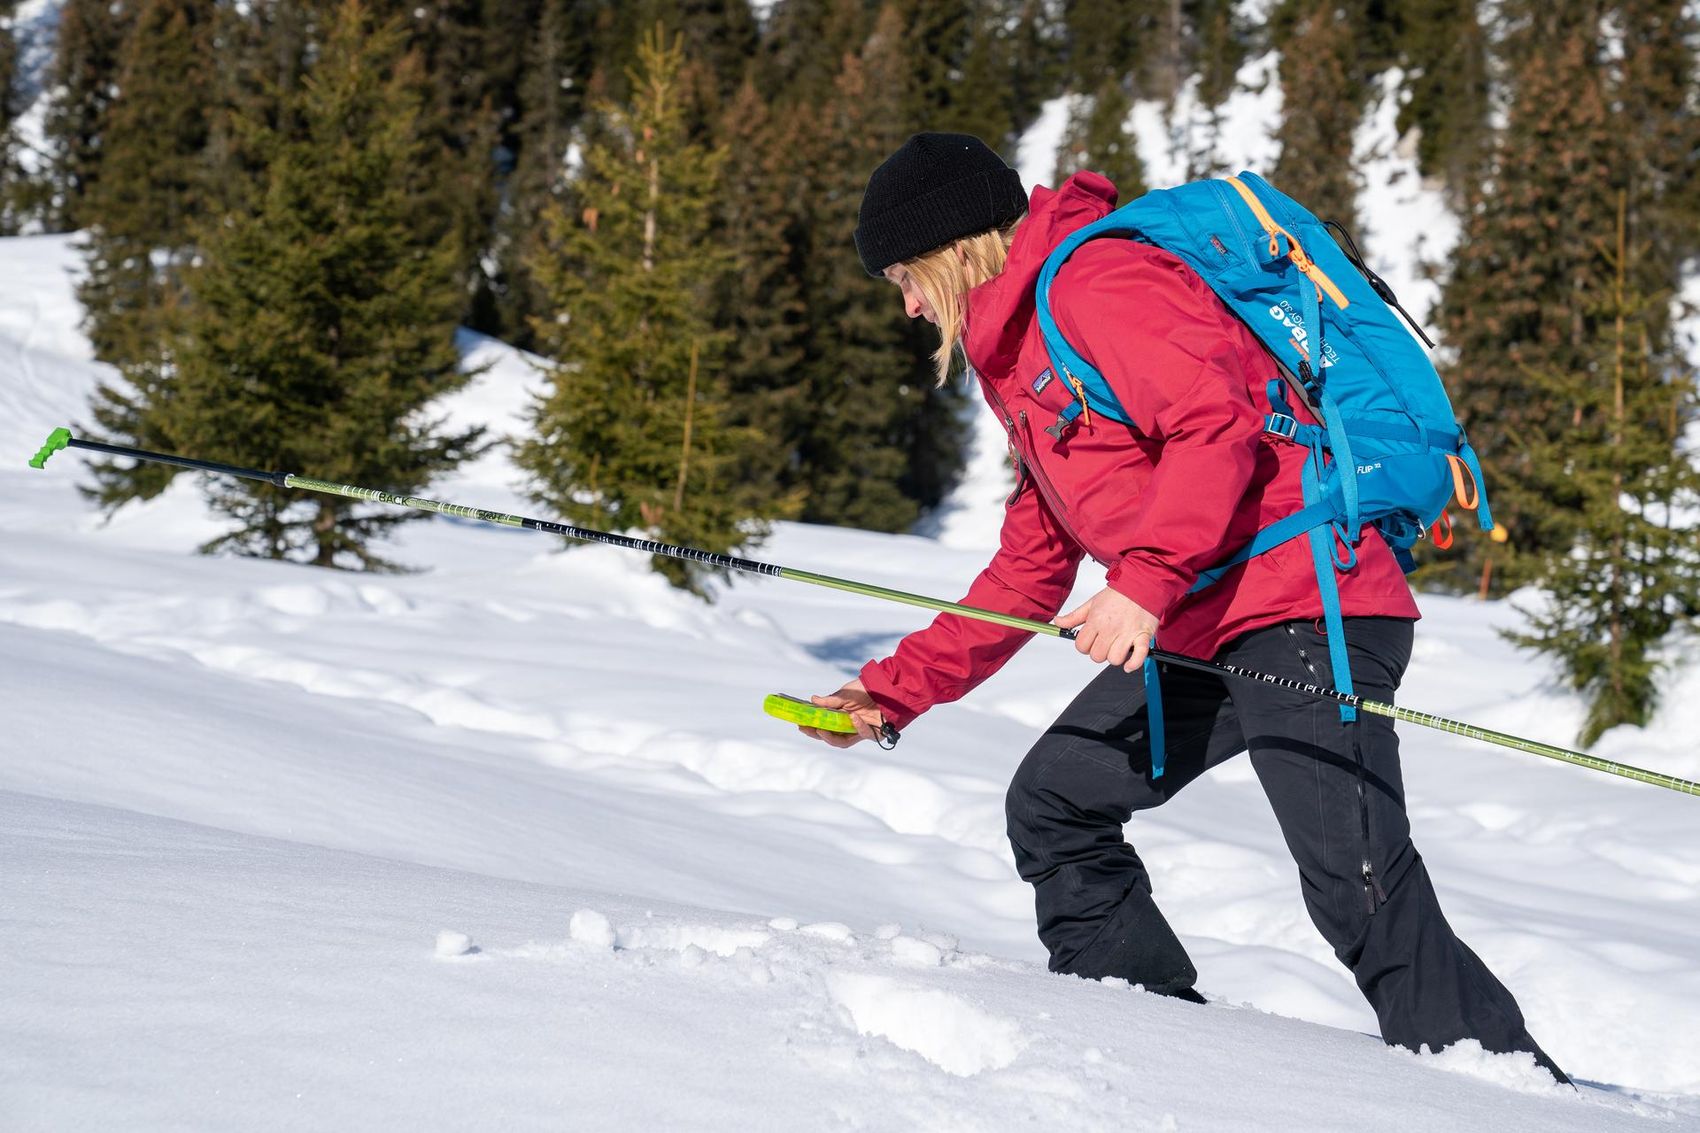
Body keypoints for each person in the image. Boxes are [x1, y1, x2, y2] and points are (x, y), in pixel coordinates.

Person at [799, 132, 1567, 1083]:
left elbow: (1218, 426)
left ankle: (1509, 1091)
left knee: (1356, 884)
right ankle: (1155, 1051)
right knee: (1056, 803)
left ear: (957, 247)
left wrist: (1141, 583)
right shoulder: (1019, 355)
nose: (910, 304)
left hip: (1305, 602)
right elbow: (1028, 570)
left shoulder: (1096, 282)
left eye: (906, 278)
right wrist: (888, 694)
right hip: (1203, 619)